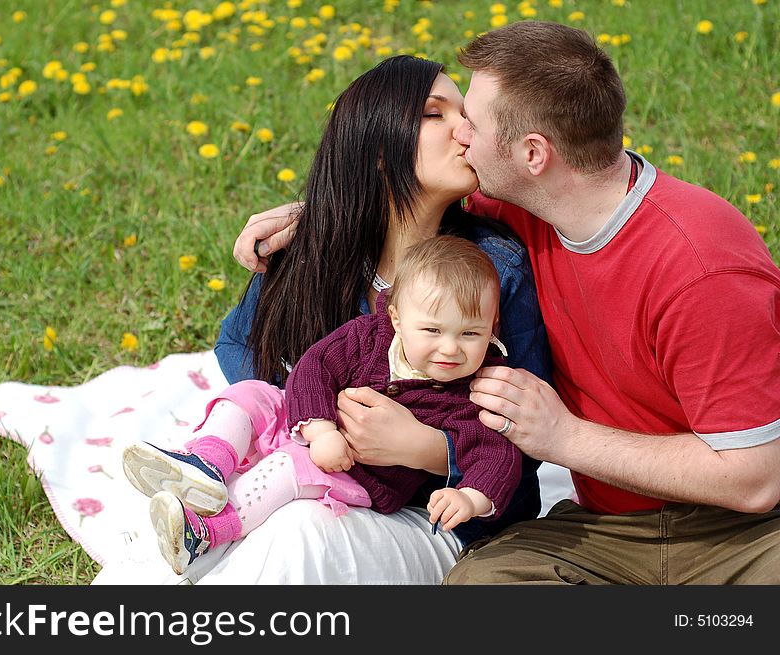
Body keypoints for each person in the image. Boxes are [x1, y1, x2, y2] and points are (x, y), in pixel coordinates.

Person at [237, 21, 780, 584]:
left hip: (742, 534)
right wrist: (322, 215)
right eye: (447, 116)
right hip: (604, 531)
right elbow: (400, 194)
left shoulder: (702, 269)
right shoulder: (527, 206)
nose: (462, 134)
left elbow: (756, 479)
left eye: (472, 120)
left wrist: (563, 436)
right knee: (480, 588)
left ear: (533, 153)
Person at [195, 54, 552, 584]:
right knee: (220, 523)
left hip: (441, 523)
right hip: (320, 475)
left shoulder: (493, 269)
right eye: (436, 114)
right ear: (377, 146)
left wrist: (428, 449)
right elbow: (242, 350)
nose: (466, 130)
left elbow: (524, 442)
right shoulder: (313, 253)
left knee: (300, 533)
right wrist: (316, 419)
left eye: (468, 115)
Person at [123, 235, 523, 575]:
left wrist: (469, 497)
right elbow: (314, 368)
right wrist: (320, 428)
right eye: (433, 330)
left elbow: (497, 456)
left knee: (287, 468)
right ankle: (205, 463)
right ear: (398, 319)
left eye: (471, 333)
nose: (450, 348)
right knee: (250, 394)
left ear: (492, 330)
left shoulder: (473, 393)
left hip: (362, 474)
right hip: (317, 426)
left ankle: (206, 530)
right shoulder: (368, 337)